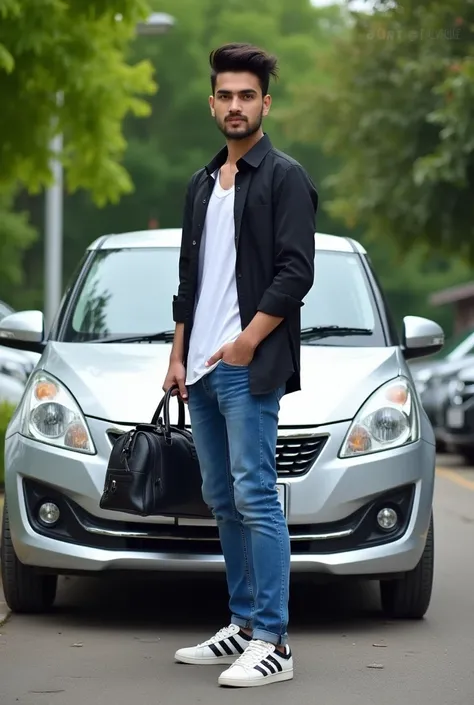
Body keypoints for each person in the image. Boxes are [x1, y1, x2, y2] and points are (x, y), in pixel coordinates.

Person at [162, 42, 318, 688]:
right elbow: (189, 279)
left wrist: (249, 340)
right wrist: (177, 353)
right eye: (225, 95)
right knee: (222, 497)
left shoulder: (284, 177)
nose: (235, 106)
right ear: (212, 103)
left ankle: (275, 640)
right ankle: (244, 623)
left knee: (255, 494)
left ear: (265, 103)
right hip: (199, 368)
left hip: (246, 365)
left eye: (246, 96)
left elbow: (295, 273)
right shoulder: (202, 184)